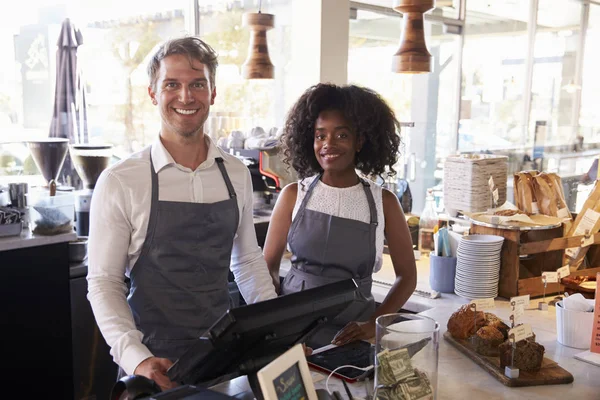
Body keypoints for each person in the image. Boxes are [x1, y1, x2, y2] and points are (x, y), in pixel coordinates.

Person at [87, 36, 277, 391]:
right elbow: (103, 282)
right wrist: (136, 357)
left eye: (197, 84)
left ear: (213, 93)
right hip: (153, 365)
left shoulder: (235, 173)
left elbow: (247, 261)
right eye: (172, 84)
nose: (186, 97)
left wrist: (279, 329)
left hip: (222, 357)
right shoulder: (121, 181)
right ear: (153, 93)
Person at [263, 83, 417, 348]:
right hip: (292, 335)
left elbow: (407, 277)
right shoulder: (292, 195)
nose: (328, 144)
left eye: (341, 135)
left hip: (351, 337)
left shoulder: (384, 202)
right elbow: (269, 268)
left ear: (360, 141)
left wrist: (373, 324)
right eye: (320, 136)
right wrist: (275, 323)